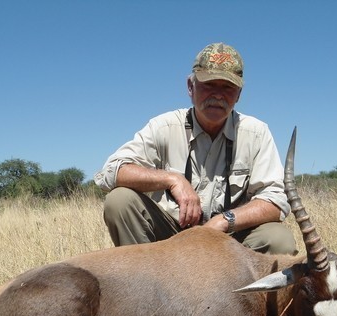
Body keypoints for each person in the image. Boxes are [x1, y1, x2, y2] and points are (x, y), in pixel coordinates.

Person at [94, 42, 296, 255]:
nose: (218, 95)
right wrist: (173, 180)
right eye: (209, 84)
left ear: (239, 94)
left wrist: (224, 221)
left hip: (230, 239)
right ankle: (144, 284)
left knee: (279, 240)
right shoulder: (164, 126)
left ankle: (244, 289)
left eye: (227, 87)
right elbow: (110, 172)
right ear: (191, 87)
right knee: (120, 201)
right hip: (171, 237)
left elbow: (277, 200)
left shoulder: (256, 133)